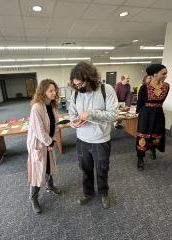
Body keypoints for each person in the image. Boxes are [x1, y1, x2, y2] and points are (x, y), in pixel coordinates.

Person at [69, 61, 118, 209]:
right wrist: (74, 123)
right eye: (75, 85)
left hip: (101, 139)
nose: (78, 87)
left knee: (102, 168)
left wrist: (90, 114)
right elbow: (71, 114)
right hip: (82, 139)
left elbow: (114, 115)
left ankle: (103, 193)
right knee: (85, 169)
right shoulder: (76, 93)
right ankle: (88, 193)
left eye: (80, 84)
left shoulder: (106, 89)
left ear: (90, 79)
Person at [27, 79, 61, 214]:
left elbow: (55, 124)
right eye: (51, 91)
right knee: (37, 172)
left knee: (49, 166)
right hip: (38, 144)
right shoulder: (36, 107)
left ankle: (50, 186)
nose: (54, 93)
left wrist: (54, 140)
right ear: (43, 92)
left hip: (48, 142)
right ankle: (33, 199)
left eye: (55, 90)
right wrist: (50, 142)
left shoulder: (52, 105)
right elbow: (39, 130)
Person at [136, 64, 170, 171]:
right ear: (155, 74)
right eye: (163, 73)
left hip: (158, 113)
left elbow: (162, 101)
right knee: (143, 134)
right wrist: (139, 114)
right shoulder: (144, 87)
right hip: (146, 114)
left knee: (156, 133)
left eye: (166, 73)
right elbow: (140, 103)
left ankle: (153, 149)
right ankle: (140, 158)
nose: (166, 76)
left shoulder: (166, 86)